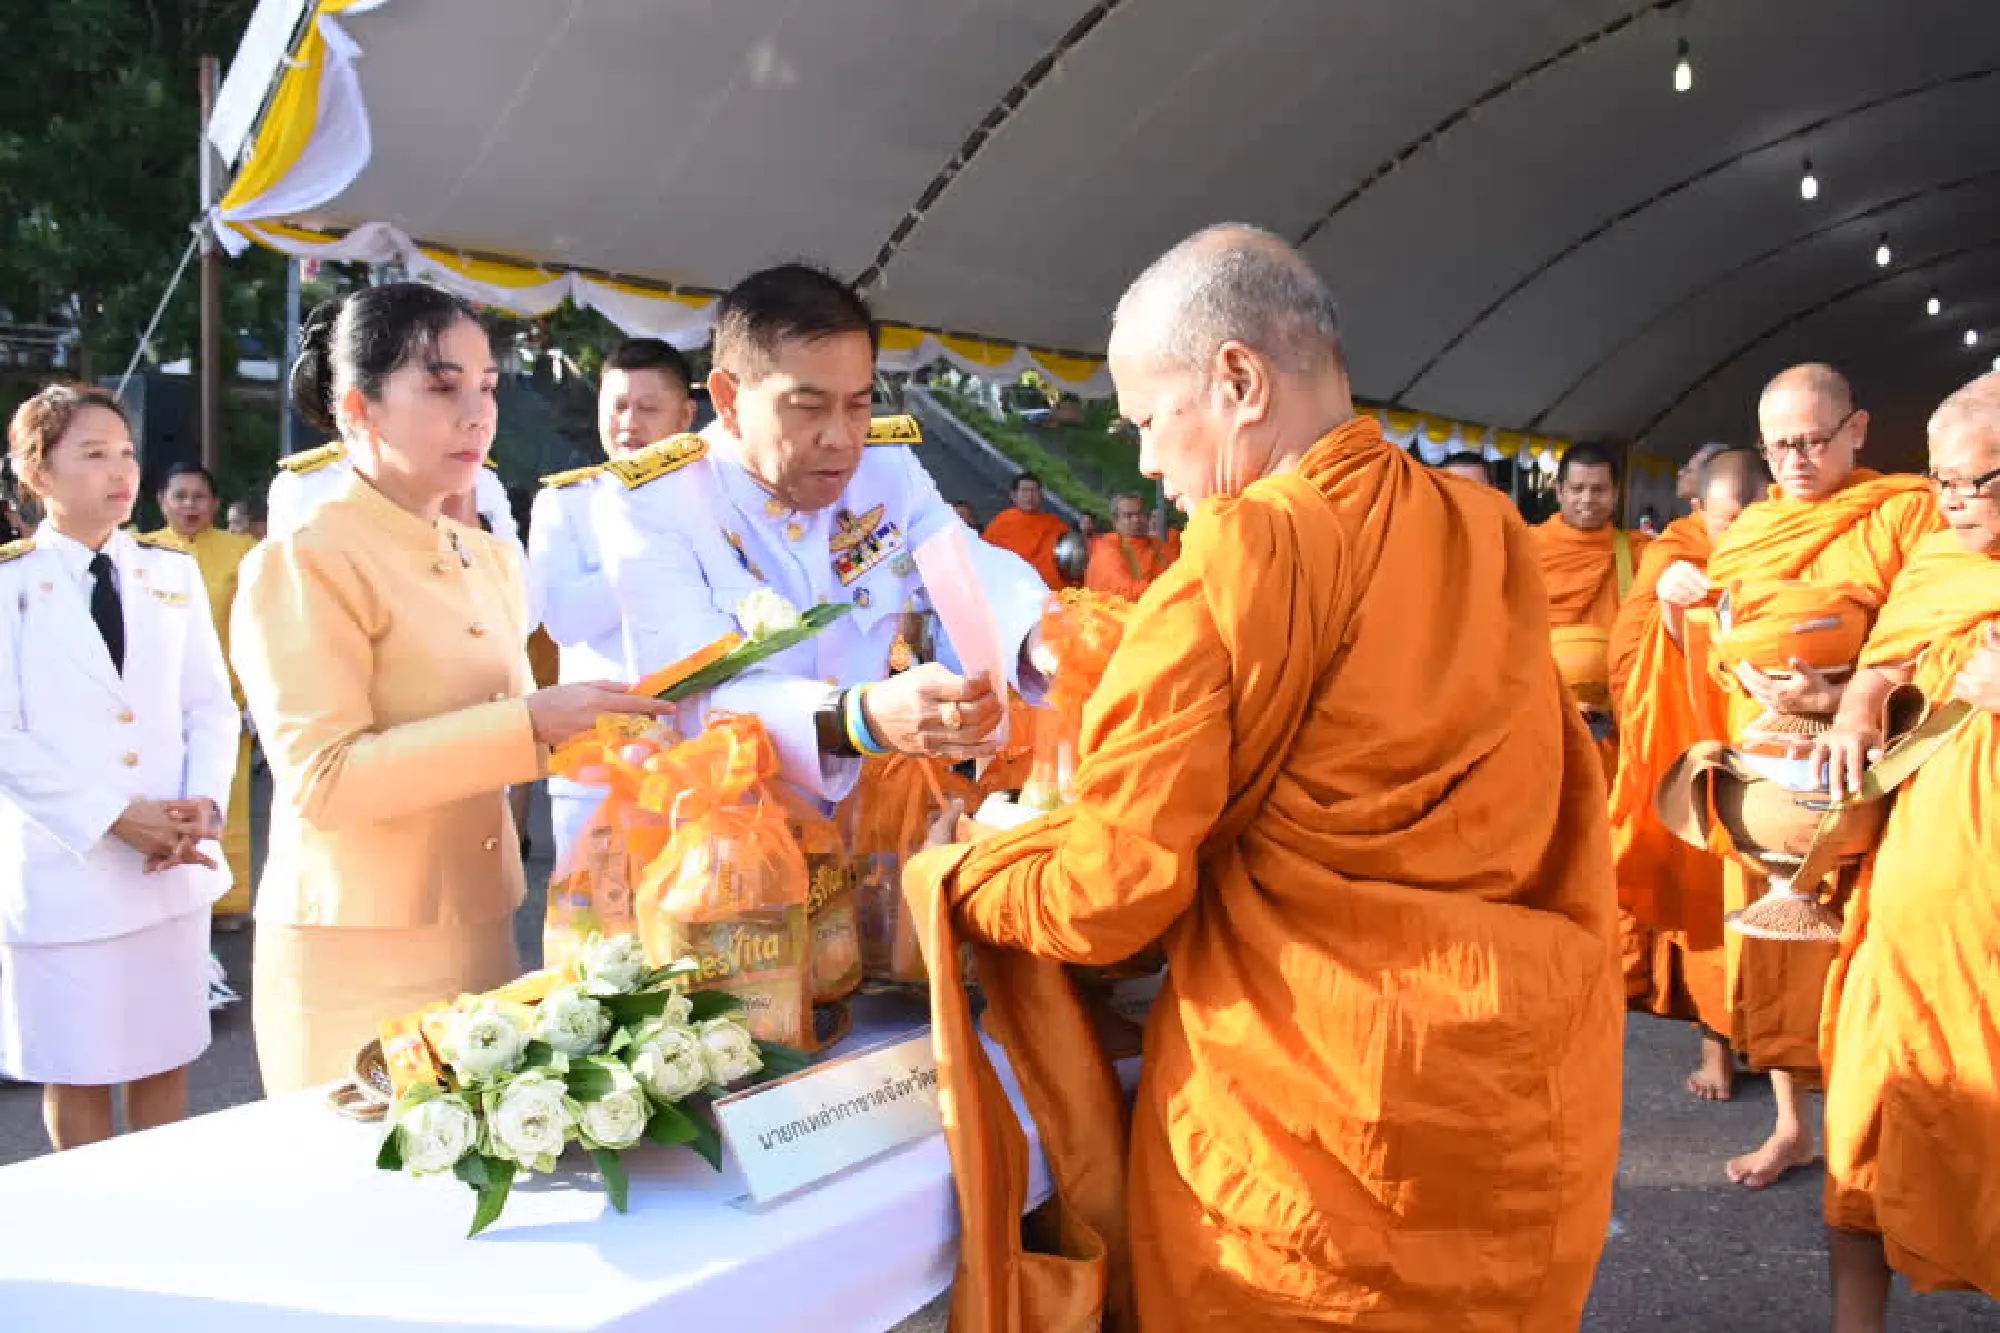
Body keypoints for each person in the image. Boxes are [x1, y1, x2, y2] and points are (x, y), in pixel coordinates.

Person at [906, 225, 1620, 1330]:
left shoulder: (1240, 561)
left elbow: (1106, 893)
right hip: (1503, 1081)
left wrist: (961, 874)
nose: (1143, 464)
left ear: (1235, 380)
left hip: (1306, 1127)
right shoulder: (1483, 530)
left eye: (1147, 421)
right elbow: (1561, 803)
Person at [232, 285, 670, 1094]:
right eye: (441, 386)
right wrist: (529, 723)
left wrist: (609, 732)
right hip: (352, 951)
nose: (477, 413)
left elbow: (502, 740)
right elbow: (323, 778)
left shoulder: (489, 558)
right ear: (359, 409)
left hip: (480, 930)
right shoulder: (307, 559)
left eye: (489, 385)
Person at [593, 264, 1051, 801]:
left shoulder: (886, 468)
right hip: (728, 832)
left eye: (858, 405)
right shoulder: (651, 502)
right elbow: (694, 696)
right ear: (728, 400)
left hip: (869, 818)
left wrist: (1045, 637)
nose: (840, 438)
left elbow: (960, 561)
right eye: (808, 408)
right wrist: (860, 719)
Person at [1660, 362, 1939, 1189]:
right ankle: (1790, 1125)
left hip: (1866, 759)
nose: (1797, 460)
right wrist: (1684, 613)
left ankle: (1874, 1121)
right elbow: (1715, 658)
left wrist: (1838, 690)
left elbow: (1926, 631)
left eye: (1814, 440)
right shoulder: (1745, 532)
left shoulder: (1900, 514)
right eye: (1780, 445)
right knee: (1772, 949)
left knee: (1862, 945)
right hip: (1764, 765)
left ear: (1856, 429)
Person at [0, 384, 238, 1148]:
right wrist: (114, 817)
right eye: (93, 454)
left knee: (163, 1059)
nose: (121, 470)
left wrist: (202, 801)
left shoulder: (171, 573)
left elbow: (210, 704)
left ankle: (164, 1221)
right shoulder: (9, 585)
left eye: (127, 452)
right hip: (67, 868)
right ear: (36, 473)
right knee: (76, 1070)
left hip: (168, 865)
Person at [1813, 372, 2000, 1328]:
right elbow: (1887, 657)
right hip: (1910, 905)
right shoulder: (1935, 561)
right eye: (1942, 482)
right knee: (1867, 1122)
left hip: (1992, 934)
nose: (1955, 502)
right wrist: (1855, 706)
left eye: (1976, 482)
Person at [1608, 447, 1768, 1100]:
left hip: (1780, 739)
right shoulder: (1671, 554)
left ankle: (1785, 1044)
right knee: (1711, 893)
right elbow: (1634, 656)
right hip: (1699, 734)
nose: (1741, 534)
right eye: (1727, 520)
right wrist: (1677, 617)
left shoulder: (1806, 540)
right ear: (1697, 507)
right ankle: (1716, 1039)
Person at [528, 337, 698, 867]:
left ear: (686, 415)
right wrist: (648, 557)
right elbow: (564, 620)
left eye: (648, 408)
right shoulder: (568, 502)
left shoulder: (714, 500)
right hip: (597, 763)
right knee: (595, 939)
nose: (629, 422)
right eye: (617, 406)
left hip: (700, 759)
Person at [148, 462, 258, 932]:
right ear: (161, 502)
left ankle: (226, 901)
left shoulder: (245, 553)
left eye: (199, 496)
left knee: (223, 802)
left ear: (215, 504)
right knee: (161, 797)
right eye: (180, 496)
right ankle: (168, 893)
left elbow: (261, 627)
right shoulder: (141, 552)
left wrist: (255, 695)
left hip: (225, 698)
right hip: (158, 701)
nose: (190, 505)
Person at [1533, 441, 1651, 754]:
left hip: (1613, 722)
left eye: (1598, 490)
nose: (1587, 500)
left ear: (1615, 494)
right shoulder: (1524, 549)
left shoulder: (1642, 554)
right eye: (1577, 489)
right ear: (1559, 491)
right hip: (1537, 715)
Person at [266, 409, 519, 546]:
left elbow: (524, 612)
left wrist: (467, 525)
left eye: (486, 387)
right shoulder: (308, 483)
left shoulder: (480, 481)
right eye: (438, 388)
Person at [1082, 489, 1176, 599]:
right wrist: (1176, 589)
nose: (1136, 520)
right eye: (1128, 515)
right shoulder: (1107, 549)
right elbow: (1126, 592)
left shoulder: (1157, 544)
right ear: (1115, 521)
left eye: (1140, 513)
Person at [982, 471, 1069, 590]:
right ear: (1014, 496)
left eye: (1034, 491)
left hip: (1045, 590)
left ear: (1041, 496)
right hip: (1008, 585)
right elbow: (985, 556)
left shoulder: (1055, 525)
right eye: (1024, 491)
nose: (1029, 496)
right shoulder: (1001, 522)